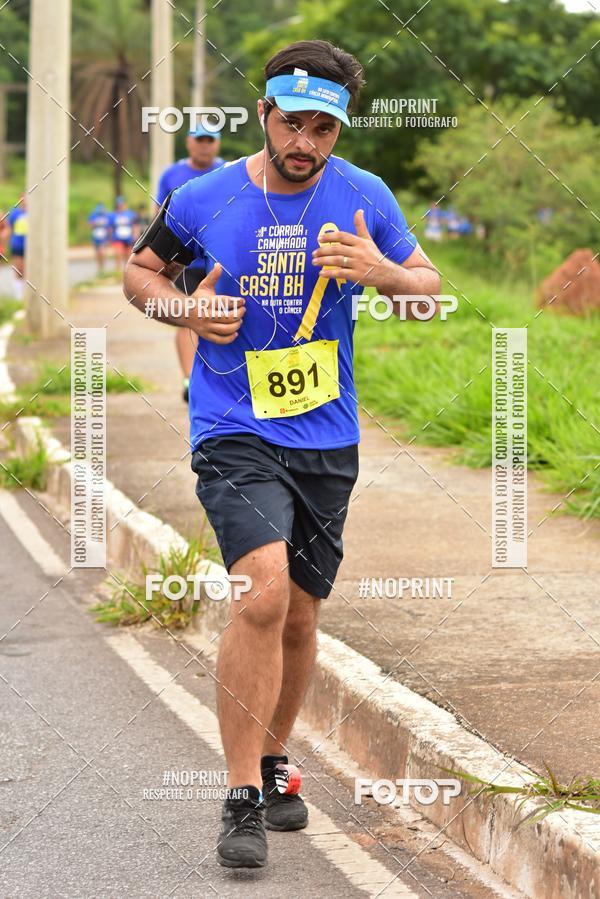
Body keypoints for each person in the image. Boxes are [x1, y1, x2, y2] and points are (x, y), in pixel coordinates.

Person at [124, 39, 440, 871]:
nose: (306, 142)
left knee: (300, 612)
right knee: (260, 590)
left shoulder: (364, 195)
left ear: (339, 129)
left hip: (327, 434)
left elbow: (428, 285)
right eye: (292, 123)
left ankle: (272, 762)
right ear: (264, 114)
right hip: (232, 424)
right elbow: (140, 274)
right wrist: (184, 315)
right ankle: (239, 798)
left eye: (323, 129)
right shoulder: (203, 195)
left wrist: (381, 270)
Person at [157, 125, 225, 403]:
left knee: (224, 315)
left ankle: (223, 377)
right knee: (189, 316)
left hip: (221, 262)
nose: (205, 146)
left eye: (210, 140)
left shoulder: (228, 172)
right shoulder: (172, 175)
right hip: (186, 261)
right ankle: (190, 380)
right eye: (200, 140)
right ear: (189, 143)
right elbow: (159, 217)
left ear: (218, 144)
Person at [7, 196, 28, 300]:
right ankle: (19, 297)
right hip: (18, 246)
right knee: (19, 270)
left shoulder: (35, 212)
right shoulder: (15, 213)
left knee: (29, 271)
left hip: (32, 247)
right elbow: (9, 229)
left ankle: (28, 296)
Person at [109, 196, 137, 271]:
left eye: (122, 204)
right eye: (119, 204)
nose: (121, 206)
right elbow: (111, 227)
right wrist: (110, 238)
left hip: (128, 238)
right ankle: (117, 271)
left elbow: (134, 225)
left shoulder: (130, 214)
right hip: (117, 238)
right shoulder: (113, 215)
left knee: (128, 256)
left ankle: (126, 271)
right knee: (118, 254)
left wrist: (135, 235)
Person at [88, 203, 111, 274]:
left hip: (104, 237)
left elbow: (109, 227)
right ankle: (99, 268)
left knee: (102, 252)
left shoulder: (107, 216)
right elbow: (90, 225)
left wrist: (109, 237)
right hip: (95, 237)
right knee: (97, 253)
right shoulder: (93, 215)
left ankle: (103, 267)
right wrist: (94, 224)